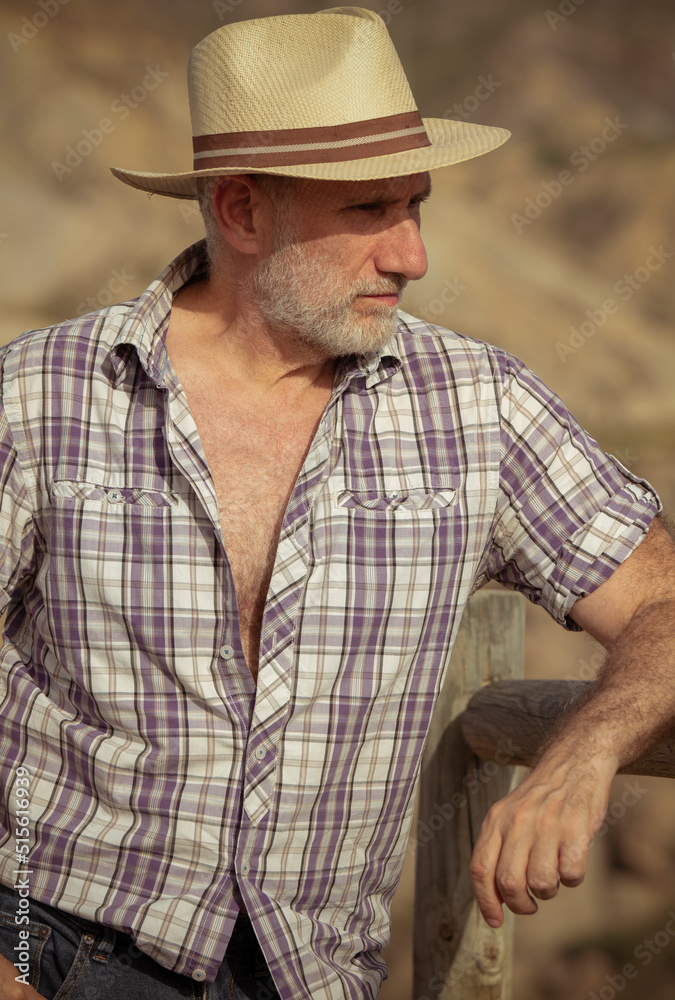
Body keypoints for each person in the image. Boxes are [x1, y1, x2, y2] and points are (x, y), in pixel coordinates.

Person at [0, 7, 673, 1000]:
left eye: (418, 206)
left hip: (312, 979)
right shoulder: (40, 392)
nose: (413, 255)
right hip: (55, 951)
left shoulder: (477, 405)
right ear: (239, 211)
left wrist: (584, 753)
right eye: (369, 212)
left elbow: (664, 600)